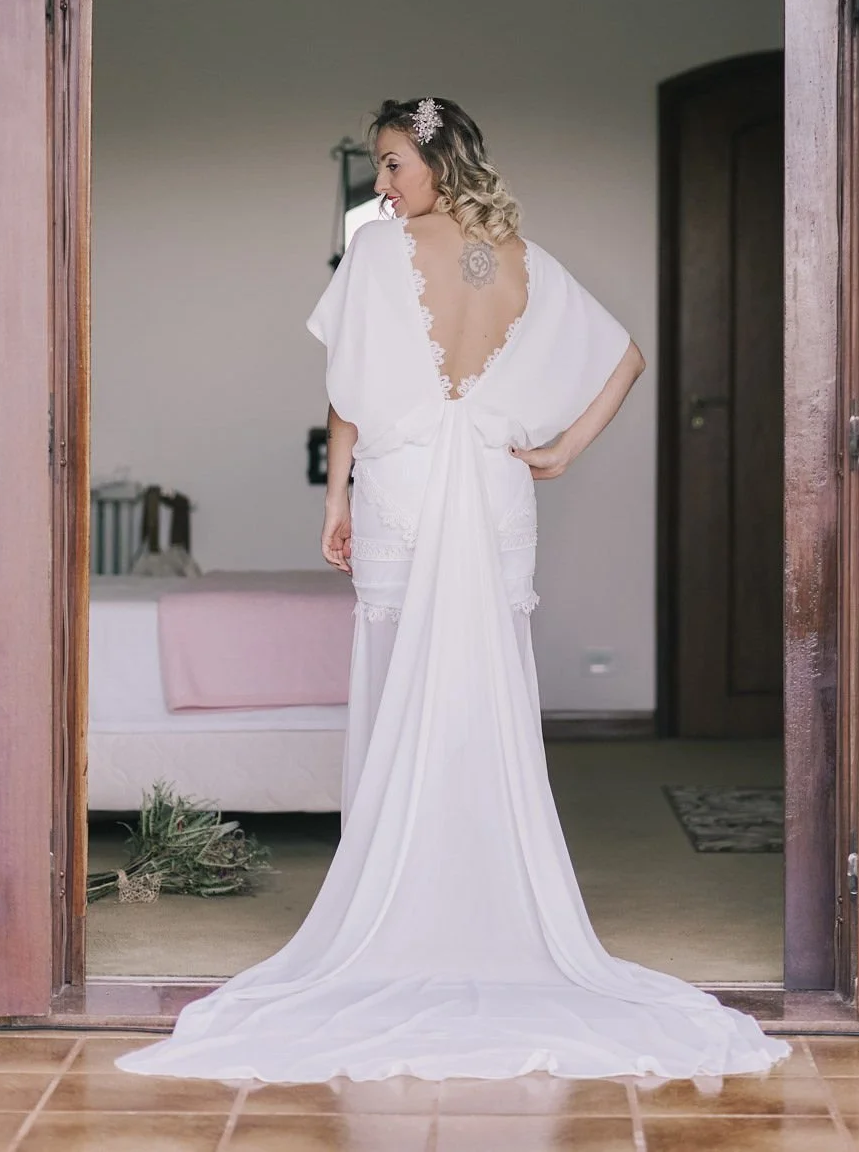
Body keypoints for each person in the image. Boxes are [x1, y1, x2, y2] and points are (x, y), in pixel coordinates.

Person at [117, 96, 789, 1083]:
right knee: (484, 685)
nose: (382, 185)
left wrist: (336, 496)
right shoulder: (518, 257)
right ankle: (480, 906)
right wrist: (560, 448)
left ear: (439, 161)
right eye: (378, 166)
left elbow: (348, 387)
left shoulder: (377, 254)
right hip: (495, 489)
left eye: (394, 164)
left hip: (404, 488)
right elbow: (628, 358)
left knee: (398, 681)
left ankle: (404, 906)